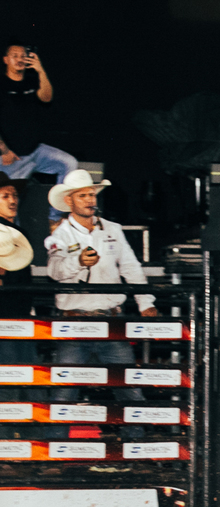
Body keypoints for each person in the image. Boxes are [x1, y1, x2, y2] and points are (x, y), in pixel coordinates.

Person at [44, 169, 156, 416]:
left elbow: (131, 267)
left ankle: (136, 438)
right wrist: (78, 262)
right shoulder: (60, 235)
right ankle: (54, 441)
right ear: (69, 201)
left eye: (91, 194)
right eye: (82, 195)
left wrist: (145, 302)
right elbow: (54, 269)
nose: (89, 200)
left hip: (110, 320)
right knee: (63, 393)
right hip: (75, 324)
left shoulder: (113, 230)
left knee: (130, 390)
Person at [0, 41, 78, 222]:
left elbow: (47, 97)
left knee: (69, 163)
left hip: (36, 151)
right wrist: (3, 150)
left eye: (23, 55)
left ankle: (55, 218)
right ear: (6, 59)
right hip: (12, 157)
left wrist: (40, 69)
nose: (19, 59)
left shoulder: (31, 80)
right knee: (10, 206)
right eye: (15, 56)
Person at [0, 172, 36, 438]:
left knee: (26, 378)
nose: (13, 200)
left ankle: (24, 440)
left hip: (21, 317)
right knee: (12, 380)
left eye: (14, 195)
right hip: (6, 320)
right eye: (5, 196)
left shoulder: (18, 232)